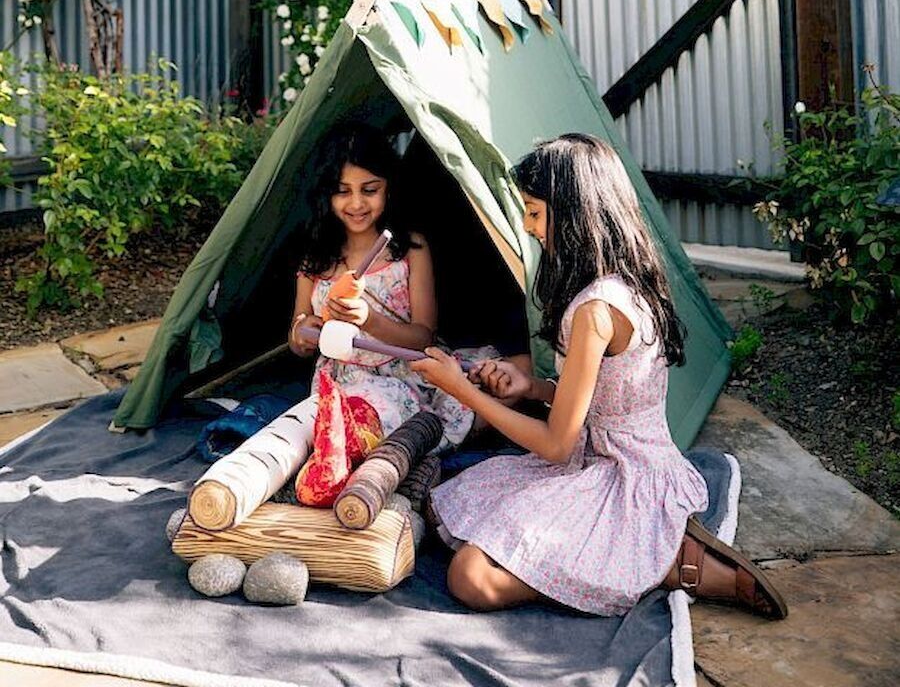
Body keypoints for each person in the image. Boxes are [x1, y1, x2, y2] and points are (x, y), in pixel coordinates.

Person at [411, 133, 788, 618]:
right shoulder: (629, 281)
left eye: (534, 212)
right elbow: (608, 395)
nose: (528, 227)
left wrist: (459, 388)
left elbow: (555, 444)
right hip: (636, 457)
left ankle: (663, 563)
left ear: (573, 215)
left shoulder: (594, 310)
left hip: (621, 476)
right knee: (456, 500)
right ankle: (640, 551)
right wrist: (533, 387)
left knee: (469, 576)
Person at [288, 124, 490, 450]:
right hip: (343, 382)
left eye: (369, 190)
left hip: (404, 376)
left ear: (389, 189)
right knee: (341, 429)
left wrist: (369, 320)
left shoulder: (410, 251)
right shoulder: (315, 258)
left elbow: (423, 336)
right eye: (342, 191)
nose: (356, 204)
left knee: (503, 378)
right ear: (326, 193)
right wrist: (303, 333)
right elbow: (297, 336)